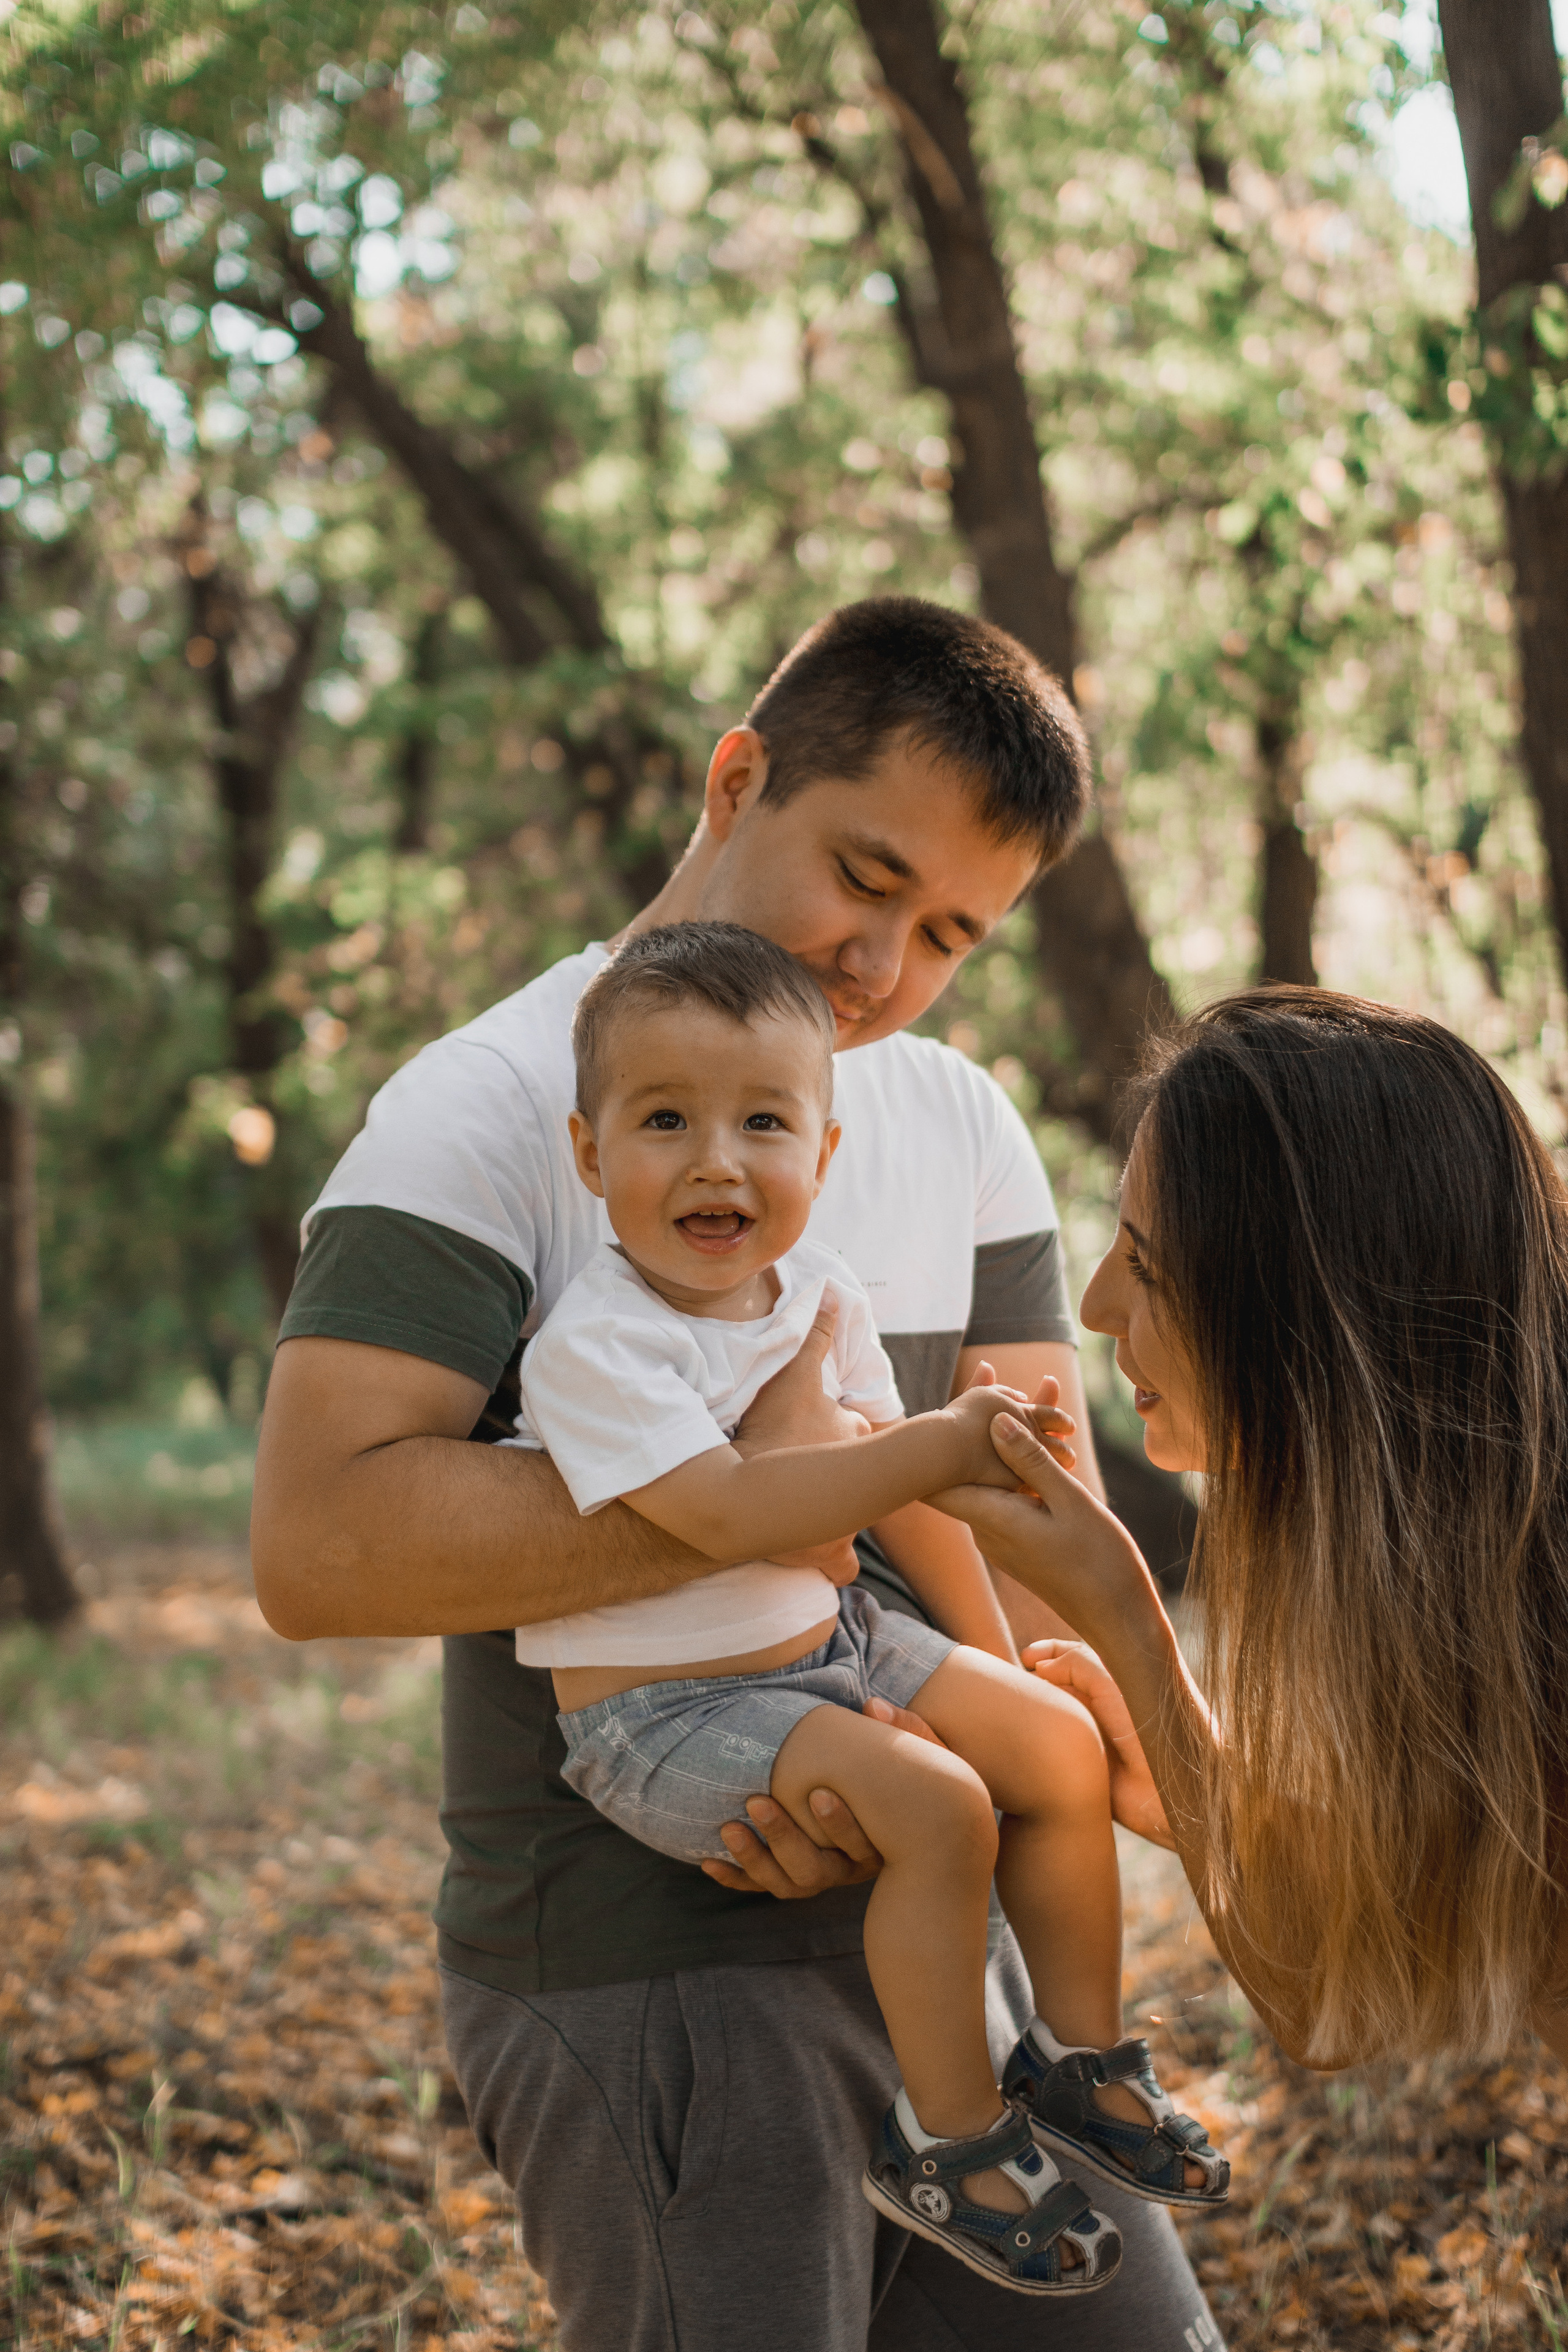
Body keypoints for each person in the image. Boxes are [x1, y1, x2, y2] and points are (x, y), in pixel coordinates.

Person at [252, 597, 1223, 2350]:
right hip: (650, 1971)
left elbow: (1027, 1498)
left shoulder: (954, 1126)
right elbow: (317, 1546)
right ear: (736, 776)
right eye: (865, 878)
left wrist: (1090, 1730)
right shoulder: (488, 1112)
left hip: (954, 1947)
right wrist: (778, 1480)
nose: (883, 969)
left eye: (950, 934)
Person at [508, 921, 1227, 2297]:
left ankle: (1076, 2063)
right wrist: (938, 1442)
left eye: (762, 1122)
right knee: (941, 1807)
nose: (718, 1160)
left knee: (1052, 1749)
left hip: (828, 1650)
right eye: (665, 1120)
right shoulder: (597, 1343)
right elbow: (730, 1510)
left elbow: (884, 1498)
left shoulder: (819, 1292)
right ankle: (947, 2141)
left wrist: (986, 1654)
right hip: (666, 1711)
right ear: (592, 1157)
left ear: (819, 1156)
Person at [935, 988, 1568, 2084]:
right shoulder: (1477, 1574)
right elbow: (1351, 1977)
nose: (1090, 1306)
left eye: (1146, 1261)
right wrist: (1191, 1761)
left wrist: (1128, 1623)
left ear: (1308, 1304)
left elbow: (1333, 2004)